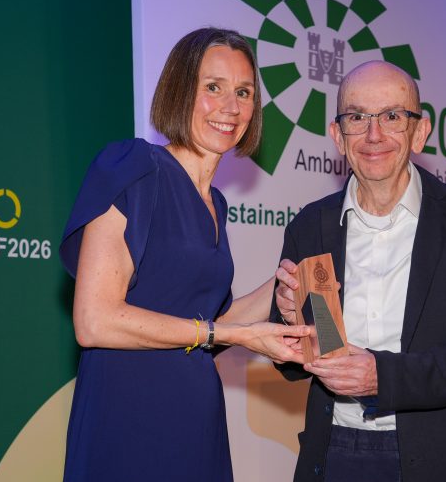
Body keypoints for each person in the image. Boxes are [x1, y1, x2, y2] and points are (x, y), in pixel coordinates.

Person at [59, 27, 309, 482]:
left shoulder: (217, 202)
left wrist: (286, 281)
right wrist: (215, 332)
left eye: (244, 92)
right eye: (212, 87)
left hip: (196, 419)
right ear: (179, 90)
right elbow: (94, 321)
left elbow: (220, 320)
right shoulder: (133, 167)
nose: (230, 107)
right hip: (128, 416)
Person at [272, 61, 446, 481]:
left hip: (444, 452)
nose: (374, 134)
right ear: (337, 136)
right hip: (335, 451)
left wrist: (381, 377)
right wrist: (293, 329)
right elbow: (297, 362)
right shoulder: (310, 225)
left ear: (420, 132)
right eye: (357, 117)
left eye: (392, 117)